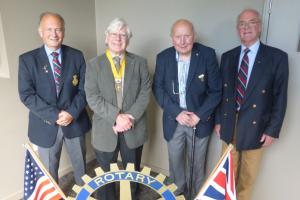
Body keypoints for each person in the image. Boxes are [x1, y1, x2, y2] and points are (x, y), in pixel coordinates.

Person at [214, 9, 289, 200]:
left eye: (251, 22)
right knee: (226, 174)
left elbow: (280, 97)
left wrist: (272, 130)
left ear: (260, 27)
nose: (246, 27)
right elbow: (221, 93)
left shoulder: (277, 57)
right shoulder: (228, 56)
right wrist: (218, 120)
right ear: (237, 28)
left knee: (247, 177)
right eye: (242, 23)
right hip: (229, 122)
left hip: (257, 125)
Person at [18, 12, 91, 185]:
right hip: (45, 125)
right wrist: (55, 115)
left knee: (81, 168)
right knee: (49, 175)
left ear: (64, 31)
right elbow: (26, 95)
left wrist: (71, 113)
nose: (54, 34)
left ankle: (85, 196)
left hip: (75, 121)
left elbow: (85, 89)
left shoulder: (77, 55)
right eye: (49, 29)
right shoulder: (27, 60)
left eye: (58, 29)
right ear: (40, 32)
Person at [153, 19, 222, 199]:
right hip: (174, 119)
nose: (183, 41)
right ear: (172, 38)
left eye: (187, 36)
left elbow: (216, 91)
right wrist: (177, 113)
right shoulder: (163, 57)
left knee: (197, 166)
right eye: (178, 37)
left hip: (199, 121)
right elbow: (158, 89)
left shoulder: (207, 55)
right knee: (175, 164)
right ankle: (177, 194)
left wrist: (198, 115)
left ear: (194, 36)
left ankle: (195, 195)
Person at [84, 18, 151, 200]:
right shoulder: (93, 65)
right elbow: (92, 97)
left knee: (132, 175)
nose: (118, 38)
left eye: (123, 34)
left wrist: (128, 118)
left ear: (128, 39)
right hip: (106, 129)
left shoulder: (140, 63)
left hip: (133, 127)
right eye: (114, 33)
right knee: (106, 178)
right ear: (106, 37)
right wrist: (116, 117)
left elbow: (145, 93)